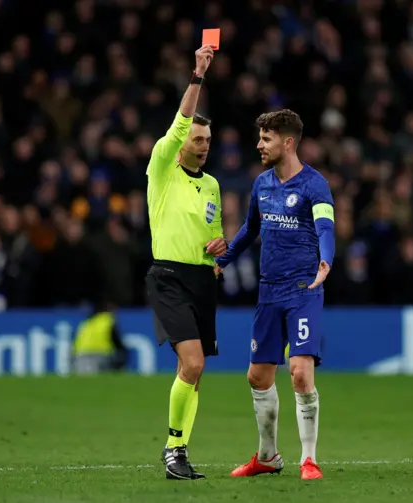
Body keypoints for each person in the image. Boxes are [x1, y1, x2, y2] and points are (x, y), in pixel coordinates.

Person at [215, 109, 335, 480]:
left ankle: (309, 459)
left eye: (266, 139)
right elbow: (251, 227)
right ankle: (268, 456)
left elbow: (326, 228)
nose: (259, 145)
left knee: (300, 372)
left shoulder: (315, 185)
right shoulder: (262, 184)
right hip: (269, 291)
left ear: (288, 142)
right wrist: (225, 260)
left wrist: (326, 260)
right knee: (258, 376)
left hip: (303, 289)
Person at [145, 44, 227, 481]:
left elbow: (213, 236)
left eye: (208, 140)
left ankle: (178, 451)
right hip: (169, 277)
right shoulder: (162, 167)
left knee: (193, 372)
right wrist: (198, 74)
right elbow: (179, 123)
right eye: (197, 139)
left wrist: (220, 252)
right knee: (192, 364)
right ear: (181, 144)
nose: (203, 146)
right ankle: (174, 448)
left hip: (201, 279)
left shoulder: (212, 185)